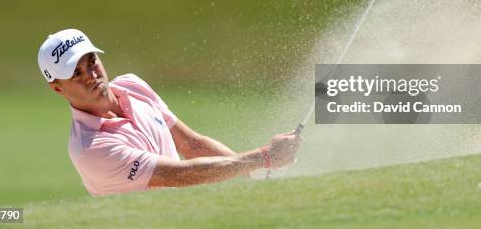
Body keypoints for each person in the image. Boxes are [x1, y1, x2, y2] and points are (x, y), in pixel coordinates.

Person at [38, 28, 301, 196]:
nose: (91, 75)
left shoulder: (132, 85)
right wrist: (262, 158)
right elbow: (180, 175)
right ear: (58, 89)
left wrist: (257, 175)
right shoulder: (91, 149)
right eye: (75, 73)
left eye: (92, 61)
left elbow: (192, 145)